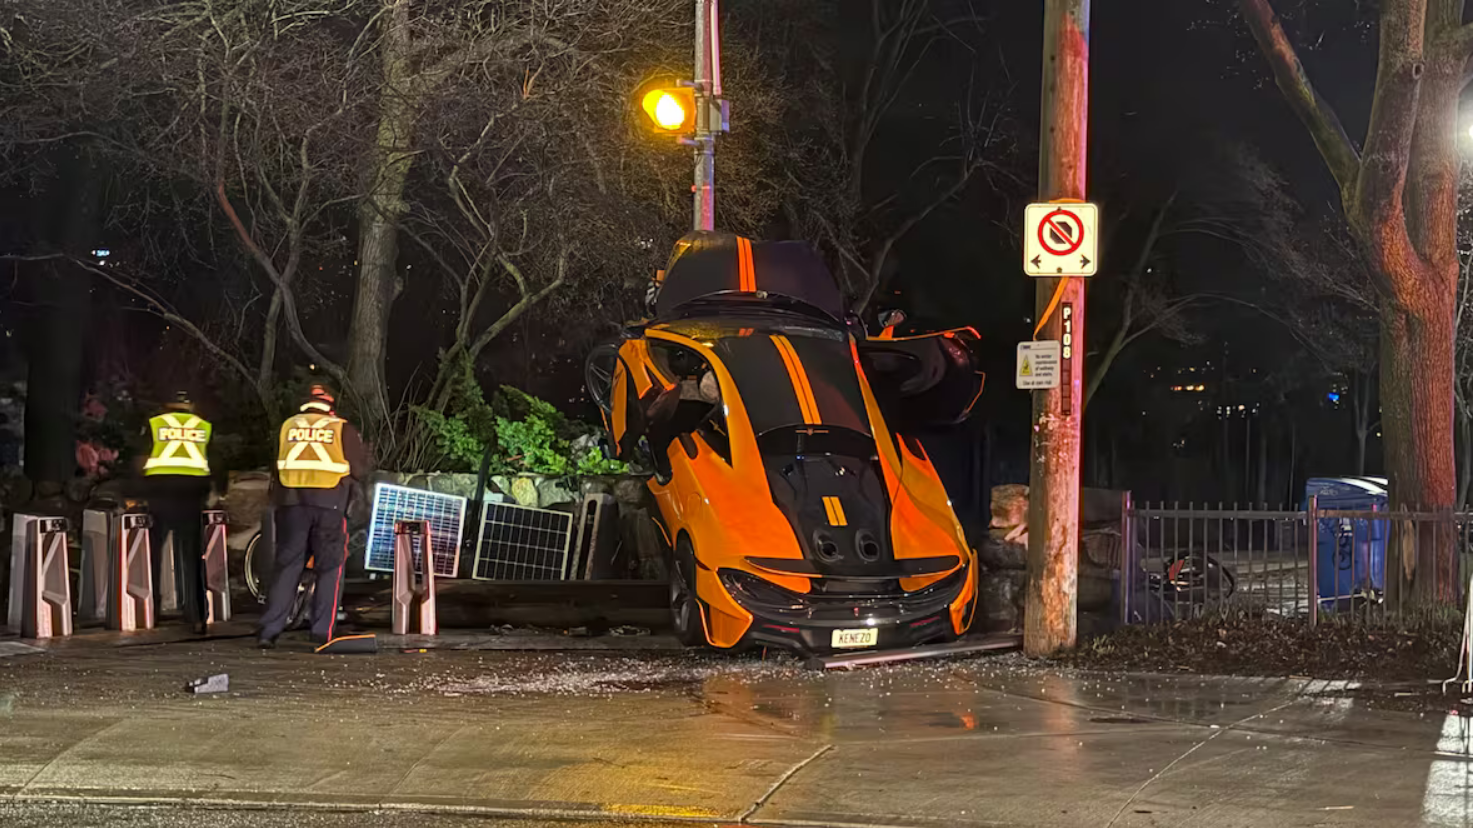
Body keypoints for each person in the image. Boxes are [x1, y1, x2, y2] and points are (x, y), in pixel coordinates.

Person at [256, 383, 368, 649]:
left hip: (292, 504)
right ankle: (321, 633)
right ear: (330, 405)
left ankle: (269, 632)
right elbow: (359, 470)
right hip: (330, 506)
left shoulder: (288, 426)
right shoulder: (341, 428)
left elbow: (278, 465)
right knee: (329, 568)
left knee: (287, 567)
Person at [141, 391, 219, 634]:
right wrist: (214, 492)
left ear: (167, 404)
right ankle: (197, 616)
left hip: (161, 494)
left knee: (154, 556)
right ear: (190, 404)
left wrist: (138, 492)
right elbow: (215, 462)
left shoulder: (156, 424)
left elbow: (142, 458)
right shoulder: (203, 426)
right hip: (191, 496)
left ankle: (151, 612)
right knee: (193, 558)